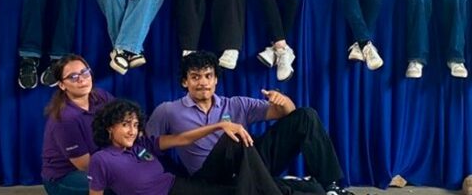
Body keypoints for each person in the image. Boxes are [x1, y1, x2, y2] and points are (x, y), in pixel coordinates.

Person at [145, 51, 353, 195]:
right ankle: (280, 186)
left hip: (249, 163)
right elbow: (147, 145)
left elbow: (289, 114)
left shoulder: (236, 104)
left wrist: (283, 102)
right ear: (185, 82)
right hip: (210, 176)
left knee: (306, 115)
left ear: (216, 79)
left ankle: (331, 185)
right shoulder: (168, 110)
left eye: (208, 76)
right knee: (232, 137)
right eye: (195, 77)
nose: (203, 82)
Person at [91, 98, 284, 195]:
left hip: (179, 186)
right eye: (125, 124)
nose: (132, 131)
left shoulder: (142, 144)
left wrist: (219, 125)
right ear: (109, 127)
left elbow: (182, 139)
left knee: (238, 189)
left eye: (135, 125)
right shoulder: (102, 159)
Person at [40, 55, 113, 195]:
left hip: (101, 161)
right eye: (73, 77)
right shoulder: (65, 118)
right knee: (116, 183)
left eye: (84, 72)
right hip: (65, 176)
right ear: (62, 85)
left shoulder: (101, 96)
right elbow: (85, 165)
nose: (81, 79)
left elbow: (125, 117)